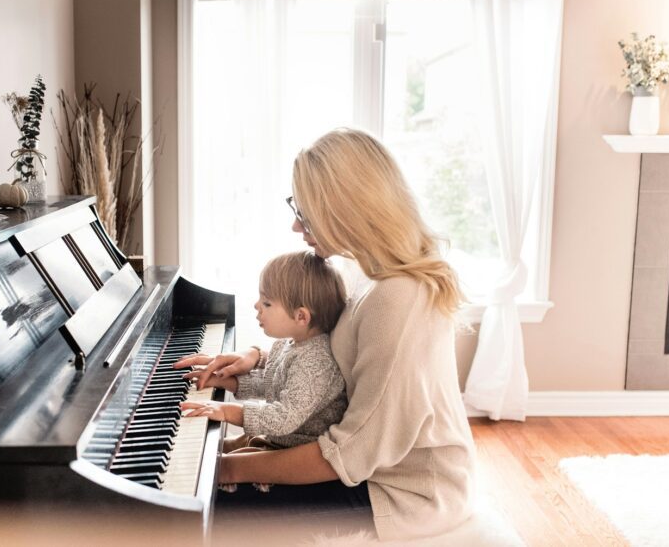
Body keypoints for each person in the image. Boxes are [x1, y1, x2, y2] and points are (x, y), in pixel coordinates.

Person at [175, 128, 476, 542]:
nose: (296, 225)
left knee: (202, 511)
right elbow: (324, 356)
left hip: (399, 492)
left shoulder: (397, 299)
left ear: (346, 209)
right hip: (362, 467)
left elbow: (347, 454)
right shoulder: (361, 271)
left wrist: (222, 467)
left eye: (306, 212)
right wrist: (256, 358)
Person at [180, 251, 348, 479]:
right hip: (281, 440)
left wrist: (227, 410)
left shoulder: (316, 361)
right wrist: (227, 381)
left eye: (267, 302)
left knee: (207, 471)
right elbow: (274, 382)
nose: (256, 305)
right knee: (201, 454)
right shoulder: (291, 343)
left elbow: (284, 418)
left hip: (293, 452)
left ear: (301, 317)